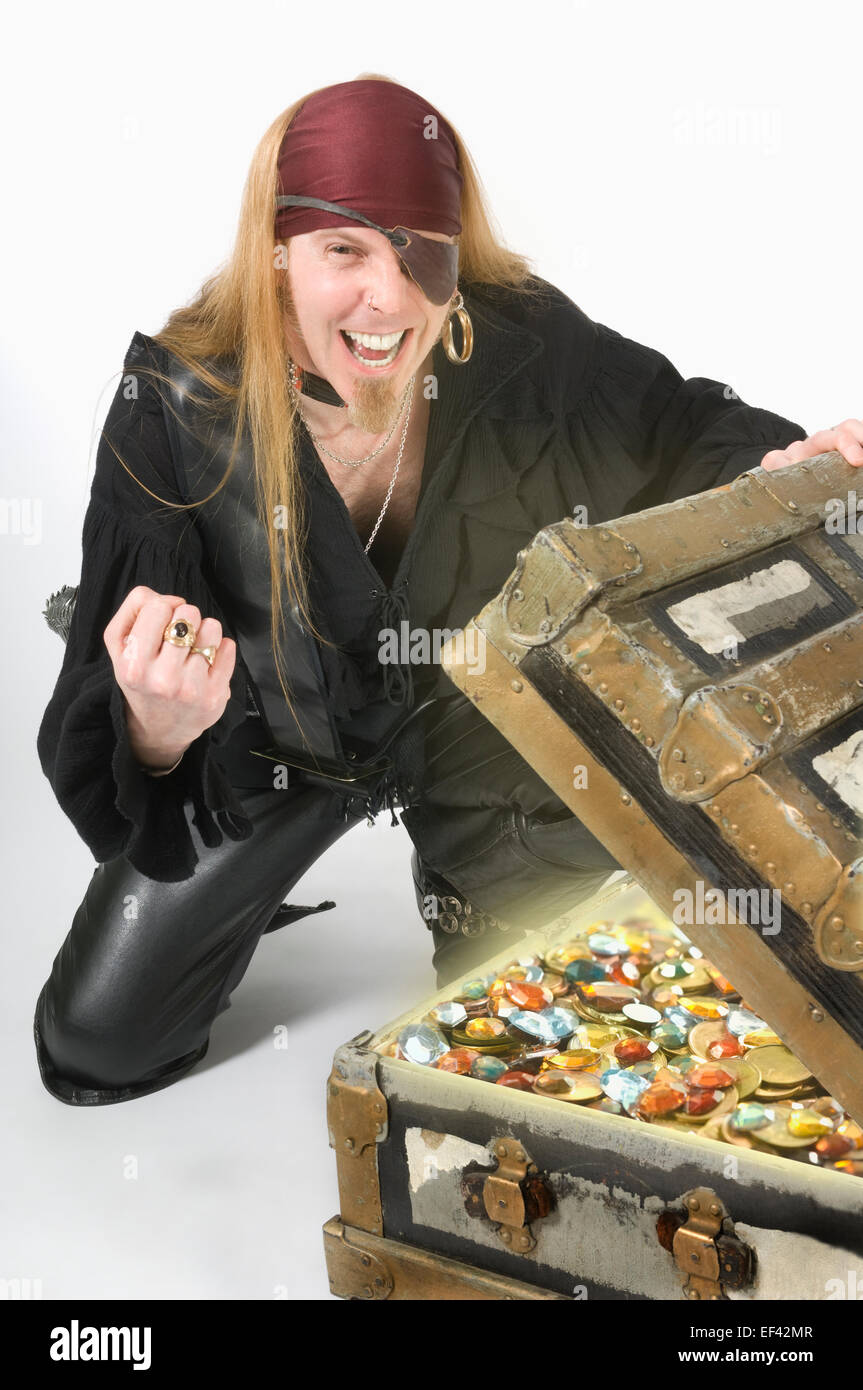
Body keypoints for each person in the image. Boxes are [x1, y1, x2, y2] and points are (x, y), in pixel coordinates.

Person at [34, 74, 863, 1106]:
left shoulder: (512, 341)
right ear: (278, 250)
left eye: (418, 250)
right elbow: (107, 728)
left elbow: (674, 429)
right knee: (96, 1042)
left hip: (471, 714)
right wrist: (160, 726)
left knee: (540, 1024)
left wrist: (783, 466)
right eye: (345, 250)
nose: (389, 298)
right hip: (264, 749)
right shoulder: (172, 408)